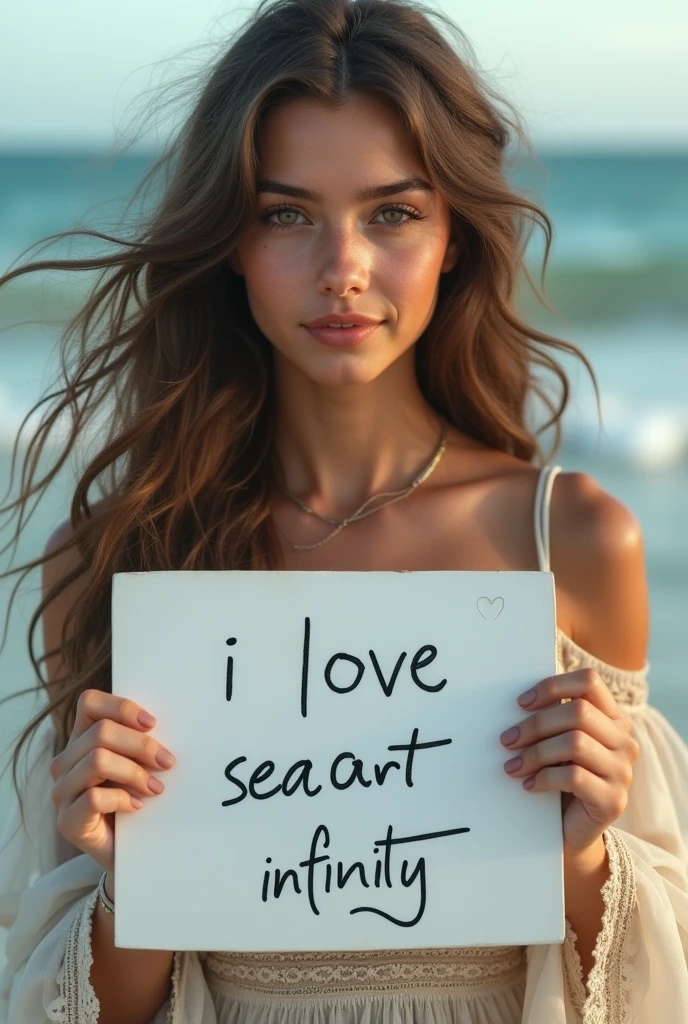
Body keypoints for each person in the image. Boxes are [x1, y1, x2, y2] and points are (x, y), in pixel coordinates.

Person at [1, 0, 687, 1020]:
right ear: (229, 240)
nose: (343, 269)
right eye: (286, 214)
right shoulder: (117, 561)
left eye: (392, 213)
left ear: (454, 234)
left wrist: (584, 851)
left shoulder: (572, 538)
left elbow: (645, 991)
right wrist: (121, 879)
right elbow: (90, 1002)